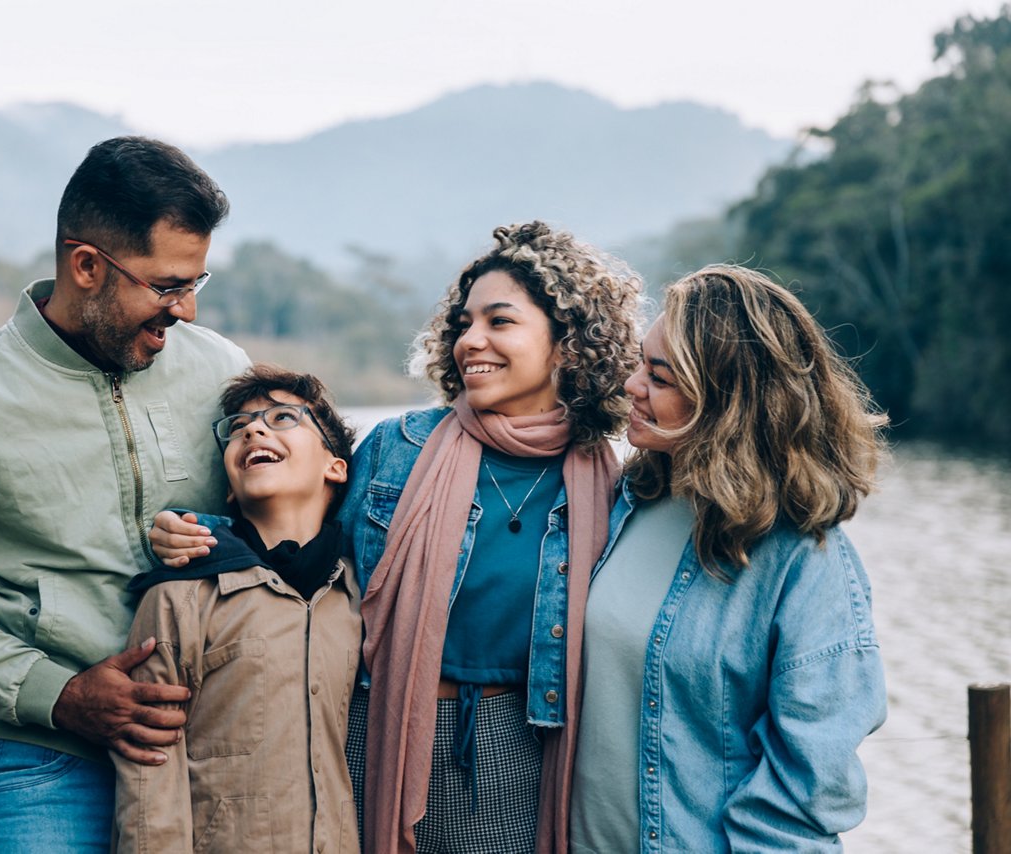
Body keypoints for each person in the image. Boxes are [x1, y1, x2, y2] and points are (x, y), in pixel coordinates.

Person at [153, 221, 642, 853]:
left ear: (568, 344)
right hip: (378, 725)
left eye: (500, 322)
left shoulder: (612, 483)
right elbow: (297, 545)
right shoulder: (400, 449)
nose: (472, 341)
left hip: (519, 745)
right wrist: (201, 535)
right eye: (464, 324)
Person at [0, 136, 251, 852]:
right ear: (87, 266)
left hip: (214, 745)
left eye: (196, 284)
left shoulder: (223, 371)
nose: (186, 312)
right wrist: (57, 695)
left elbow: (282, 530)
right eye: (166, 287)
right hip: (46, 760)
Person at [569, 265, 888, 852]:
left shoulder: (805, 562)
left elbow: (805, 793)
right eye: (641, 363)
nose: (632, 386)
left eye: (659, 377)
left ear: (728, 400)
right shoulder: (620, 504)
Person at [114, 365, 362, 853]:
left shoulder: (358, 595)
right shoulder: (179, 598)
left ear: (335, 466)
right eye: (238, 427)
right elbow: (148, 778)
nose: (253, 429)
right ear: (229, 485)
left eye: (284, 417)